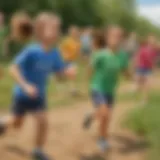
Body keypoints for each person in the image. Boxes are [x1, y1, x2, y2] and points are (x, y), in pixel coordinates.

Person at [0, 13, 75, 160]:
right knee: (16, 123)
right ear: (40, 31)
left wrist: (67, 72)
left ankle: (38, 151)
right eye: (52, 28)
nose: (55, 32)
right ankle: (2, 122)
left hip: (39, 96)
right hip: (22, 95)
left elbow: (59, 73)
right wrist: (25, 85)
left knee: (43, 121)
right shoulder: (31, 50)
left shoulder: (55, 53)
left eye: (57, 29)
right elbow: (13, 68)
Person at [83, 26, 129, 152]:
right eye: (113, 36)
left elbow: (125, 70)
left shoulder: (122, 56)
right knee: (105, 113)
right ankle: (102, 140)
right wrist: (89, 84)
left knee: (106, 117)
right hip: (98, 88)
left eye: (119, 36)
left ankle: (91, 116)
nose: (116, 39)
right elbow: (90, 69)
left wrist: (130, 75)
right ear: (108, 38)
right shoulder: (100, 54)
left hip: (110, 90)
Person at [134, 35, 157, 105]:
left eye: (153, 40)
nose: (152, 41)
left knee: (147, 85)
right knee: (139, 83)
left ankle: (145, 99)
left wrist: (153, 67)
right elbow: (138, 56)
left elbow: (153, 60)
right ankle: (139, 89)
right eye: (151, 40)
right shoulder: (143, 48)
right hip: (140, 68)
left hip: (148, 69)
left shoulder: (153, 51)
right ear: (148, 41)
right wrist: (136, 64)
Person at [60, 25, 81, 95]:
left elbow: (78, 52)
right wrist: (64, 55)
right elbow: (62, 49)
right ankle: (69, 88)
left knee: (73, 75)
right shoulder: (67, 41)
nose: (75, 33)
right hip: (65, 60)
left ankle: (73, 89)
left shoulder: (78, 42)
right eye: (73, 32)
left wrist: (79, 57)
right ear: (70, 33)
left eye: (76, 32)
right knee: (65, 75)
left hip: (72, 61)